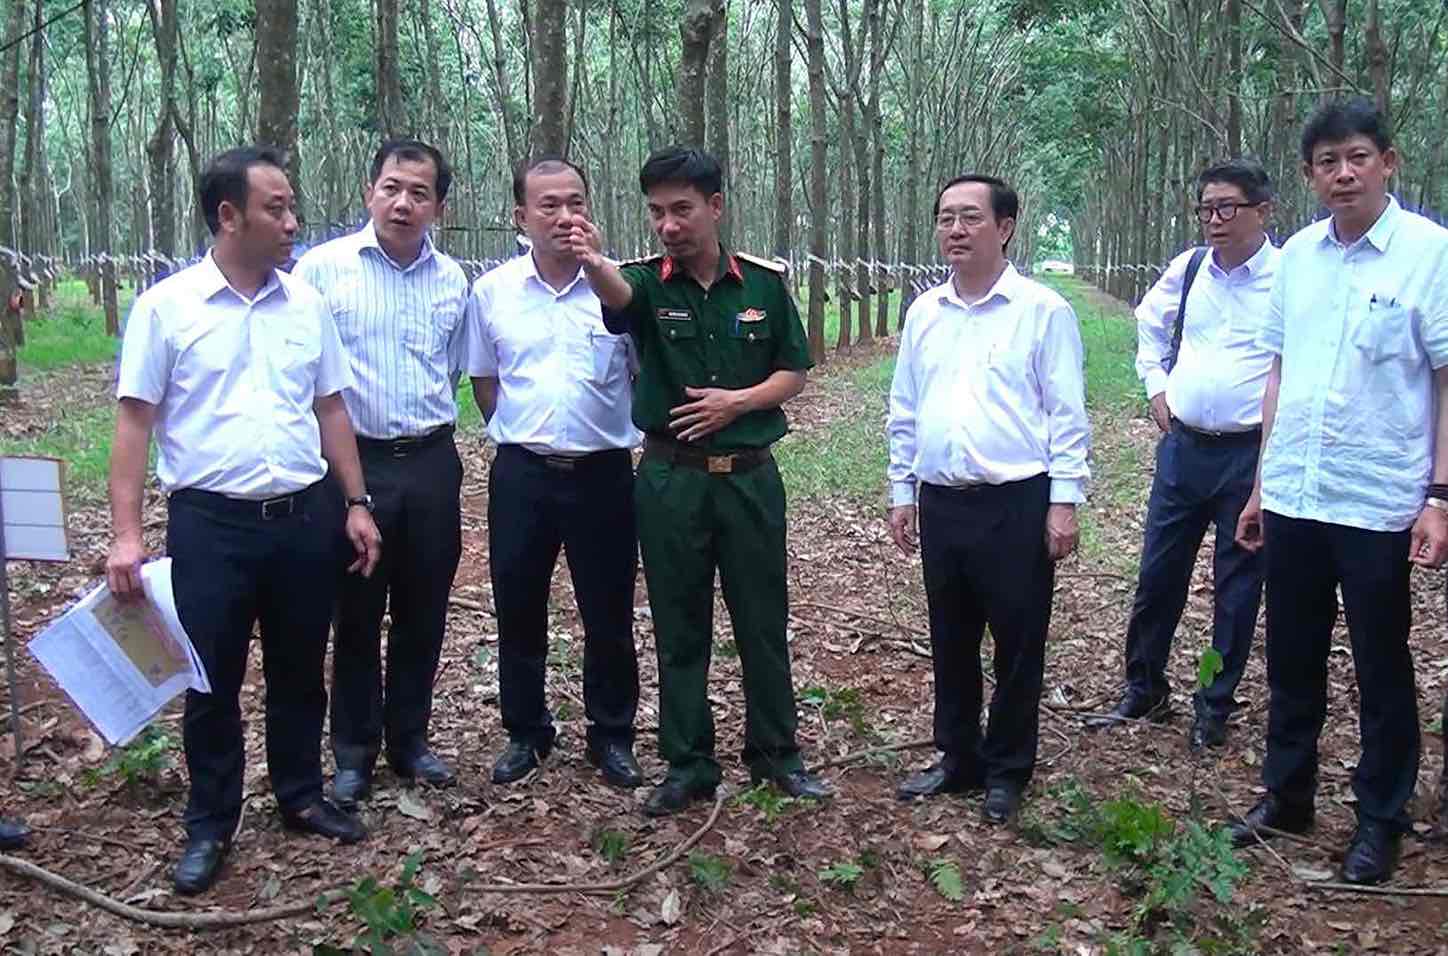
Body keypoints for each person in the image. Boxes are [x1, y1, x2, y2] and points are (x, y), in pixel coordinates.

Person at [106, 146, 382, 895]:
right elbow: (135, 424)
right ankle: (210, 822)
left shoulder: (307, 305)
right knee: (212, 678)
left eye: (291, 207)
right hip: (210, 526)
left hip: (302, 517)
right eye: (276, 209)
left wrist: (356, 503)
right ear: (229, 215)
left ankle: (299, 793)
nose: (292, 223)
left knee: (299, 668)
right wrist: (127, 535)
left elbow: (331, 408)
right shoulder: (168, 307)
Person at [568, 147, 833, 816]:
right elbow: (618, 297)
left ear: (715, 206)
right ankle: (688, 763)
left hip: (748, 480)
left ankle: (777, 755)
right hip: (670, 481)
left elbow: (793, 372)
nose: (668, 225)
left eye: (682, 209)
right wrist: (593, 261)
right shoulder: (645, 283)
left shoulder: (765, 286)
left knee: (761, 621)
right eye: (656, 212)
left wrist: (736, 403)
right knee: (679, 623)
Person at [1227, 98, 1448, 886]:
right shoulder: (1299, 260)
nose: (1343, 173)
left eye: (1358, 157)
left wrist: (1440, 496)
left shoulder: (1430, 254)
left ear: (1389, 162)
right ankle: (1286, 796)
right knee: (1291, 656)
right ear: (1309, 176)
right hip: (1295, 493)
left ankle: (1379, 820)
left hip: (1379, 500)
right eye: (1328, 162)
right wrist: (1260, 483)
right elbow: (1279, 374)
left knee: (1383, 666)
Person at [886, 174, 1090, 825]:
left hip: (1016, 502)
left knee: (1018, 640)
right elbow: (905, 409)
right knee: (951, 636)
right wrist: (901, 491)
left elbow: (1066, 413)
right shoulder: (924, 312)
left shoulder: (1042, 311)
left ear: (1004, 227)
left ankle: (1008, 767)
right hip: (943, 501)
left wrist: (1064, 501)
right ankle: (958, 757)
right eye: (945, 217)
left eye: (970, 217)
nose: (955, 230)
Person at [293, 140, 468, 807]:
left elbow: (452, 370)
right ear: (369, 191)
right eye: (393, 187)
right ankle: (352, 750)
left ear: (439, 207)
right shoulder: (322, 270)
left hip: (429, 459)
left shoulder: (452, 280)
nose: (404, 202)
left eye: (419, 193)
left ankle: (410, 740)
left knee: (424, 606)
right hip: (350, 461)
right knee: (358, 610)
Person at [1087, 160, 1278, 750]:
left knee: (1237, 586)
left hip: (1250, 455)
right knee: (1158, 573)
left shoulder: (1289, 276)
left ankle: (1214, 703)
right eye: (1206, 209)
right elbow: (1148, 321)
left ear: (1262, 211)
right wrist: (1155, 386)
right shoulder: (1190, 268)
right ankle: (1143, 687)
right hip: (1184, 449)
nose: (1215, 220)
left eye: (1228, 208)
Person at [466, 156, 642, 788]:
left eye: (575, 202)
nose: (565, 216)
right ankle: (526, 730)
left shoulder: (621, 288)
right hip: (523, 474)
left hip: (605, 473)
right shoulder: (492, 293)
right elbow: (485, 381)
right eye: (548, 205)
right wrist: (523, 434)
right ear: (521, 217)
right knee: (518, 604)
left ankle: (612, 733)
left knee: (609, 607)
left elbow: (642, 375)